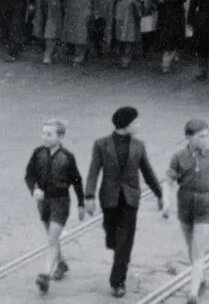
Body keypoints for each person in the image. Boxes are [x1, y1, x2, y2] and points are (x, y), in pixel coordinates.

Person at [84, 106, 165, 299]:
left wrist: (160, 194)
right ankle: (113, 243)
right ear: (126, 125)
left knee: (124, 241)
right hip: (109, 199)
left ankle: (117, 282)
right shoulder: (101, 144)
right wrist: (89, 196)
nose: (139, 125)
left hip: (130, 199)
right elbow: (94, 171)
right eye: (136, 122)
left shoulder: (138, 146)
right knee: (113, 237)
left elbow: (147, 171)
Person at [164, 118, 209, 304]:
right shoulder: (179, 157)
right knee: (191, 247)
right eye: (201, 136)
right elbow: (169, 181)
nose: (206, 140)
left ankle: (193, 294)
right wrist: (166, 203)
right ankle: (201, 277)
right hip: (185, 204)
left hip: (204, 205)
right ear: (189, 137)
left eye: (207, 136)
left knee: (197, 251)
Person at [23, 118, 85, 296]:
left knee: (51, 239)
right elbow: (29, 175)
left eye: (49, 134)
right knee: (52, 237)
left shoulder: (67, 157)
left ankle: (45, 276)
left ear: (60, 136)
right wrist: (34, 189)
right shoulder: (38, 153)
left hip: (61, 202)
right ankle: (62, 264)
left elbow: (76, 181)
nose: (44, 137)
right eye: (43, 133)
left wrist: (81, 203)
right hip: (43, 203)